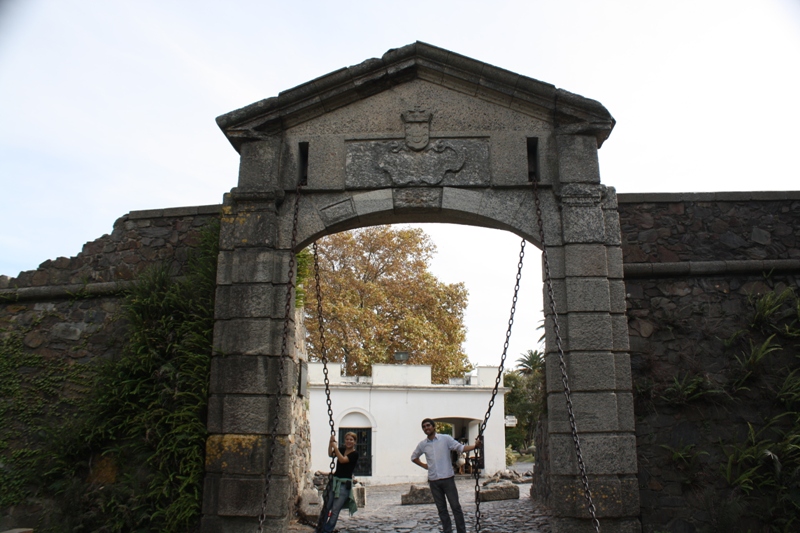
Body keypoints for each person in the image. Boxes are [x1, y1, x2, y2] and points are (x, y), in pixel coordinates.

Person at [411, 419, 482, 533]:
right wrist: (424, 465)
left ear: (434, 427)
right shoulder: (423, 445)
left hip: (447, 479)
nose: (426, 428)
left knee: (455, 507)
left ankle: (461, 531)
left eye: (428, 425)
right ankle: (447, 531)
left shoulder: (445, 439)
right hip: (434, 481)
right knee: (442, 509)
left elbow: (460, 448)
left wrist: (475, 446)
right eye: (424, 427)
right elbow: (414, 457)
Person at [317, 432, 359, 533]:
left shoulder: (354, 454)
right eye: (347, 439)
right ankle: (320, 528)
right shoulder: (341, 449)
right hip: (335, 483)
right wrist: (330, 443)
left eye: (351, 440)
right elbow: (331, 454)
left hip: (344, 485)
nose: (349, 441)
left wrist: (335, 447)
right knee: (326, 507)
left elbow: (343, 460)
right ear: (345, 440)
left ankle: (327, 530)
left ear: (355, 442)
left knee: (335, 510)